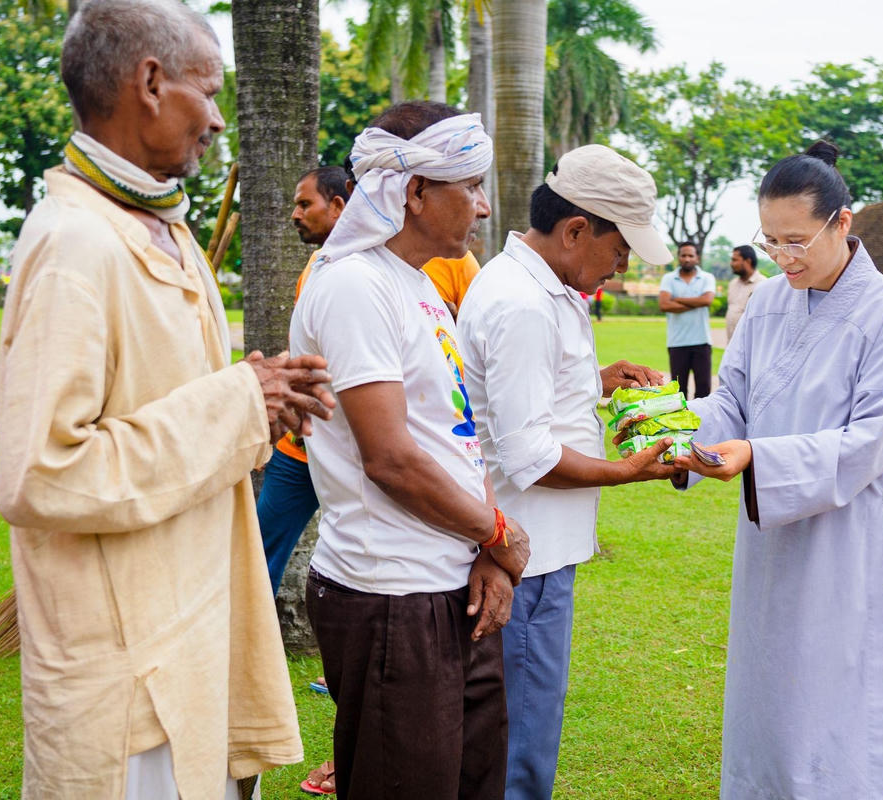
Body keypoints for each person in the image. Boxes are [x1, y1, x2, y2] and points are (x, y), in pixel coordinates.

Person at [0, 1, 337, 797]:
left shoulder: (162, 230)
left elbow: (170, 412)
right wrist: (235, 401)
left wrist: (259, 398)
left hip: (193, 630)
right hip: (126, 671)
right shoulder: (74, 243)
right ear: (149, 82)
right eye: (208, 91)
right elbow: (42, 473)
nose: (217, 120)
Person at [672, 141, 883, 799]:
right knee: (766, 691)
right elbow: (733, 397)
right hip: (772, 532)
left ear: (842, 222)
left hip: (848, 540)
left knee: (832, 700)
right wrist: (676, 430)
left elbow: (871, 442)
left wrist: (762, 456)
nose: (782, 257)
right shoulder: (772, 302)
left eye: (796, 241)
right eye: (771, 242)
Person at [291, 100, 531, 800]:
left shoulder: (418, 285)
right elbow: (390, 458)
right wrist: (497, 533)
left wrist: (487, 551)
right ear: (416, 191)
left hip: (453, 582)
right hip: (389, 594)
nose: (483, 208)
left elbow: (454, 432)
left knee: (472, 781)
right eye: (471, 187)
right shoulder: (354, 287)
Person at [458, 144, 677, 800]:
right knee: (521, 735)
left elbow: (529, 398)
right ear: (576, 229)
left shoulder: (543, 287)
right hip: (531, 553)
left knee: (515, 724)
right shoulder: (524, 303)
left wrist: (600, 383)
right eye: (620, 249)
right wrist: (627, 471)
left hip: (538, 546)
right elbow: (530, 455)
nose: (623, 265)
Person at [259, 165, 350, 596]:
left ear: (338, 205)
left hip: (362, 450)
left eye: (304, 204)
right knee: (257, 558)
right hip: (300, 447)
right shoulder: (314, 269)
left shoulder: (443, 263)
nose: (295, 215)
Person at [659, 242, 716, 398]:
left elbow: (707, 301)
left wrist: (676, 299)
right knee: (679, 391)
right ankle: (681, 422)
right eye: (683, 255)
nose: (687, 259)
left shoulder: (706, 277)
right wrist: (696, 302)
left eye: (691, 255)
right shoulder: (669, 278)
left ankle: (702, 422)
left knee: (704, 389)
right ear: (678, 257)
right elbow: (664, 305)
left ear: (697, 258)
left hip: (701, 342)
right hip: (677, 343)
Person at [725, 244, 765, 340]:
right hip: (732, 343)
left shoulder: (763, 284)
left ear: (748, 261)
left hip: (753, 344)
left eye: (735, 260)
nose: (731, 263)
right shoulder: (733, 284)